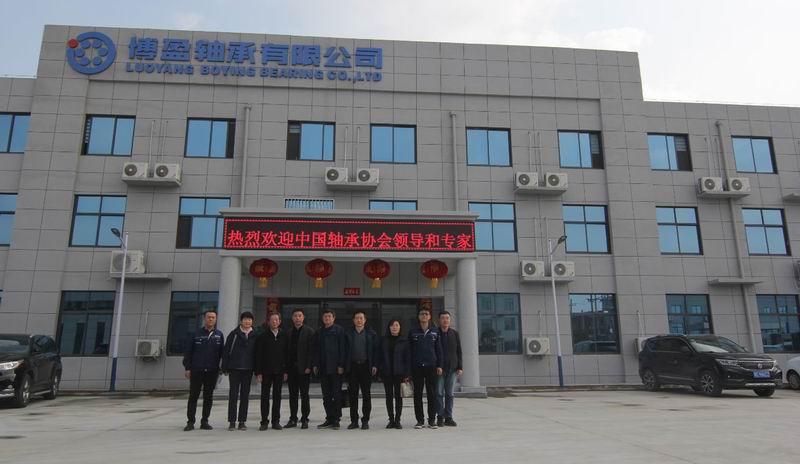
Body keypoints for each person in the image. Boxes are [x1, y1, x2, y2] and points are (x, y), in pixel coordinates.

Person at [182, 310, 224, 431]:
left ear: (216, 319)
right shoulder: (195, 334)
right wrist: (187, 368)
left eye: (213, 317)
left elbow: (222, 353)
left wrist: (222, 368)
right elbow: (188, 352)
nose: (211, 319)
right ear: (204, 319)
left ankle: (205, 421)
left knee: (208, 397)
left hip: (212, 371)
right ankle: (190, 422)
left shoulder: (219, 335)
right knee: (193, 396)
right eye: (208, 317)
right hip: (196, 370)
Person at [221, 311, 257, 431]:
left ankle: (242, 421)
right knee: (233, 395)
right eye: (245, 319)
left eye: (249, 319)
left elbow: (257, 353)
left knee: (245, 396)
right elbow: (226, 351)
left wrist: (257, 370)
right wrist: (224, 367)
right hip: (234, 369)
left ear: (252, 321)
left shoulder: (255, 335)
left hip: (248, 369)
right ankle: (232, 421)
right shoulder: (234, 334)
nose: (247, 321)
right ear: (241, 321)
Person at [408, 306, 443, 429]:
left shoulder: (435, 331)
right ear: (418, 316)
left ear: (429, 316)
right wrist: (409, 367)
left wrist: (439, 365)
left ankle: (432, 420)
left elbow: (439, 350)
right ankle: (420, 420)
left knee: (432, 394)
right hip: (417, 366)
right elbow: (409, 351)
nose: (424, 316)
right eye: (422, 314)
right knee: (417, 394)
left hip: (431, 366)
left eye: (426, 314)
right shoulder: (413, 331)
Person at [312, 309, 347, 430]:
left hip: (336, 369)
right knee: (326, 396)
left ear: (333, 318)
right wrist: (315, 364)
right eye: (325, 316)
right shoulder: (319, 332)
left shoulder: (339, 330)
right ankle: (329, 418)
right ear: (322, 318)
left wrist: (341, 365)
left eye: (329, 316)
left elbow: (343, 349)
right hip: (323, 368)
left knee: (337, 395)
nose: (327, 318)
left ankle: (336, 419)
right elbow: (316, 349)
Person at [344, 310, 379, 430]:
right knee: (353, 395)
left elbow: (376, 351)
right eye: (357, 318)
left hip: (366, 367)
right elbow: (344, 351)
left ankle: (365, 420)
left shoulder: (371, 334)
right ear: (353, 320)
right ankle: (354, 421)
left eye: (361, 318)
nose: (359, 320)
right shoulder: (348, 333)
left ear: (365, 320)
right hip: (352, 367)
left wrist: (374, 365)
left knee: (366, 395)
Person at [254, 312, 288, 431]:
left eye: (276, 320)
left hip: (279, 371)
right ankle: (264, 421)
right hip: (266, 372)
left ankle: (275, 421)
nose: (274, 322)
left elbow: (287, 354)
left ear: (280, 322)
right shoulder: (262, 336)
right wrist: (258, 372)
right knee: (265, 397)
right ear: (268, 322)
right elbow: (258, 355)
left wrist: (286, 371)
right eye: (272, 320)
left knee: (277, 397)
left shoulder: (284, 335)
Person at [284, 308, 315, 429]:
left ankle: (305, 418)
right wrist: (285, 369)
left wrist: (309, 366)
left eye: (300, 316)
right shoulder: (288, 333)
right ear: (292, 318)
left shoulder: (309, 332)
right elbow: (286, 352)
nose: (297, 318)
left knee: (304, 394)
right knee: (293, 395)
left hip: (304, 369)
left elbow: (311, 351)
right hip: (292, 368)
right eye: (295, 316)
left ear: (303, 317)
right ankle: (293, 418)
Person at [378, 318, 411, 429]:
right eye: (392, 325)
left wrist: (407, 374)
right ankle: (391, 419)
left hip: (399, 373)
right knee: (388, 397)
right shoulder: (383, 340)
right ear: (389, 327)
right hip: (387, 373)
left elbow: (407, 358)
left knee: (398, 397)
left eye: (396, 325)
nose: (394, 327)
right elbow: (380, 356)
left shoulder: (404, 341)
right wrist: (380, 371)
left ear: (400, 327)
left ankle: (397, 420)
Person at [436, 311, 463, 427]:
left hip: (452, 368)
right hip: (439, 369)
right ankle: (440, 416)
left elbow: (459, 351)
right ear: (439, 320)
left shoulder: (454, 334)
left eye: (447, 318)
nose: (445, 320)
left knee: (450, 394)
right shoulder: (435, 333)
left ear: (450, 320)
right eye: (443, 318)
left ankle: (448, 417)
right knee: (438, 393)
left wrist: (460, 366)